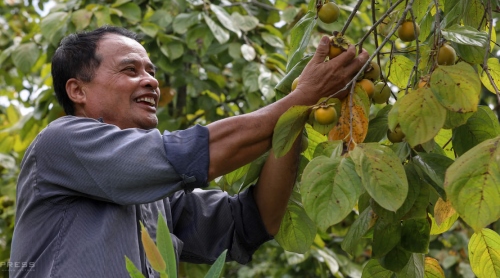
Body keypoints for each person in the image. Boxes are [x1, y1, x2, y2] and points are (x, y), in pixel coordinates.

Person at [9, 26, 368, 277]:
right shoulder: (63, 142)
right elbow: (190, 153)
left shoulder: (156, 195)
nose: (150, 80)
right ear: (77, 91)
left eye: (151, 71)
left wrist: (299, 115)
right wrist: (301, 97)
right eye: (130, 70)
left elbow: (254, 221)